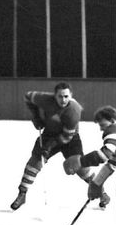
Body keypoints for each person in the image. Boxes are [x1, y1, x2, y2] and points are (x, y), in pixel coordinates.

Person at [10, 82, 107, 210]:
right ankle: (22, 194)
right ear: (54, 96)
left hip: (70, 138)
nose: (63, 100)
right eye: (60, 96)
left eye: (66, 96)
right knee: (35, 162)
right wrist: (36, 116)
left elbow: (66, 137)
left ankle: (102, 193)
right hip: (49, 133)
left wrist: (49, 146)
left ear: (71, 95)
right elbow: (28, 97)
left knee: (79, 167)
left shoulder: (74, 110)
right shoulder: (44, 99)